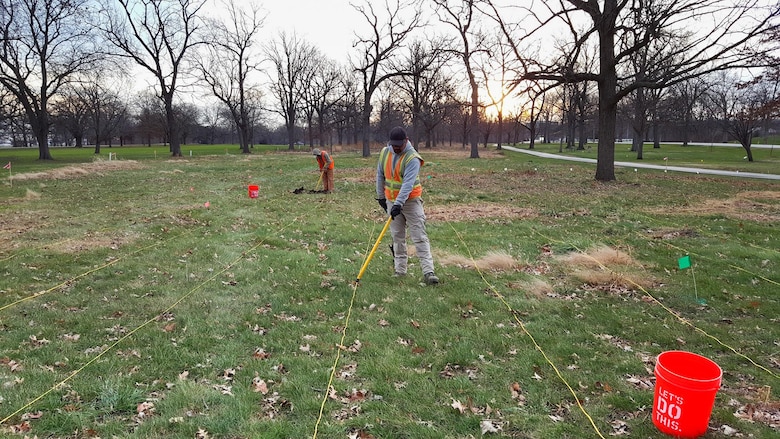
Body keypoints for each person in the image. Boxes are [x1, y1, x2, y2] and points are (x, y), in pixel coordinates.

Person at [376, 126, 439, 285]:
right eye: (393, 145)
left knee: (419, 236)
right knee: (397, 237)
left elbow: (407, 184)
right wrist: (381, 198)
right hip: (391, 201)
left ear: (406, 141)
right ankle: (400, 270)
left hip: (411, 203)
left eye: (399, 145)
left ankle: (428, 272)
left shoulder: (413, 158)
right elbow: (380, 174)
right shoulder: (385, 152)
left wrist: (398, 203)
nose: (396, 148)